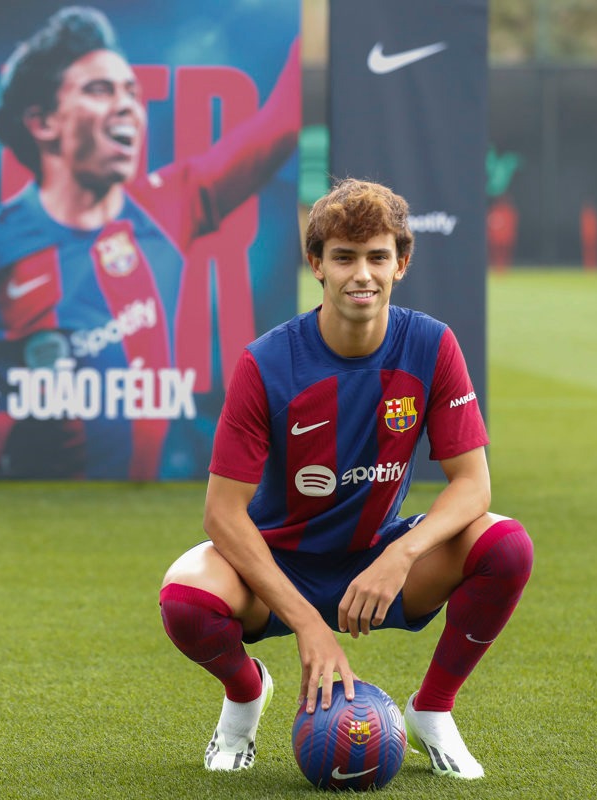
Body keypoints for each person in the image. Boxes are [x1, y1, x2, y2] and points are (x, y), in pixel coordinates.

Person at [159, 179, 534, 778]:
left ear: (401, 263)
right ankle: (245, 696)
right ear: (317, 265)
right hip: (278, 563)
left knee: (506, 545)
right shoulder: (267, 362)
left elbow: (473, 485)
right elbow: (222, 515)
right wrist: (310, 624)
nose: (362, 274)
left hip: (377, 558)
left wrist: (401, 554)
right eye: (344, 257)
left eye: (378, 257)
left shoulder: (433, 345)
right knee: (185, 600)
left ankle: (432, 710)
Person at [0, 5, 300, 479]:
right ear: (43, 123)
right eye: (100, 90)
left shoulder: (171, 202)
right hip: (35, 510)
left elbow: (282, 123)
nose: (127, 106)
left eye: (131, 93)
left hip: (160, 495)